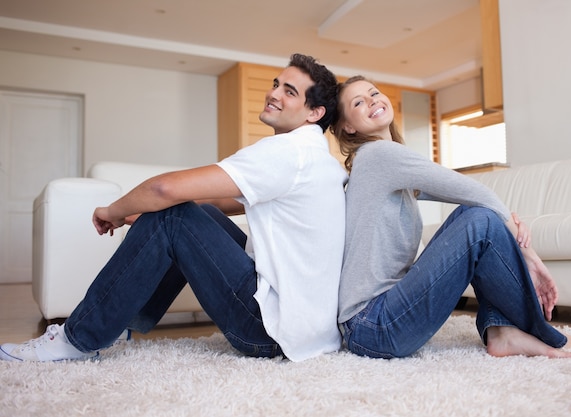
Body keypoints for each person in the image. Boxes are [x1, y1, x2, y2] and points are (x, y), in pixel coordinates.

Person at [0, 53, 347, 363]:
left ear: (314, 113)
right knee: (191, 214)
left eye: (290, 92)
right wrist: (150, 219)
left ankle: (76, 339)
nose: (274, 94)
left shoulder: (288, 152)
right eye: (276, 84)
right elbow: (219, 202)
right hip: (305, 331)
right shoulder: (316, 157)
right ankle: (119, 324)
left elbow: (163, 188)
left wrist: (114, 211)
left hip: (268, 332)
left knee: (174, 212)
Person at [330, 75, 571, 360]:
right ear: (347, 126)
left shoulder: (387, 163)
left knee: (474, 215)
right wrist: (530, 255)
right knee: (479, 221)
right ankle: (545, 335)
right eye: (358, 102)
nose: (372, 100)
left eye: (374, 92)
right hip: (374, 326)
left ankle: (503, 331)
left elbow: (472, 200)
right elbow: (478, 192)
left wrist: (504, 224)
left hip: (375, 323)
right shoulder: (379, 155)